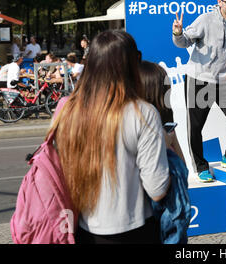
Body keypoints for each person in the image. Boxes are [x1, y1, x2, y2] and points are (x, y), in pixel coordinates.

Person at [48, 30, 171, 244]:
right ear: (130, 64)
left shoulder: (67, 110)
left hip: (82, 230)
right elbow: (157, 189)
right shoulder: (143, 113)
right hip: (134, 231)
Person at [172, 0, 226, 182]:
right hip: (199, 79)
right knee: (195, 127)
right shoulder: (205, 19)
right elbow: (185, 42)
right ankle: (200, 166)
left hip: (223, 81)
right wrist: (178, 33)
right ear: (219, 2)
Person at [139, 60, 185, 163]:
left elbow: (183, 166)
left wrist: (170, 141)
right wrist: (162, 144)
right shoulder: (133, 130)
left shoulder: (168, 126)